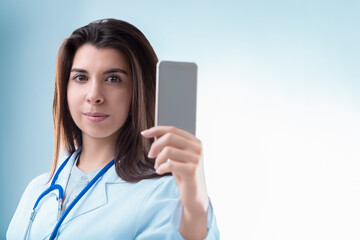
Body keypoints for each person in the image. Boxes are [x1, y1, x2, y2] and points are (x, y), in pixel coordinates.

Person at [7, 18, 219, 240]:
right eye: (81, 77)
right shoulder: (38, 190)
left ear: (138, 90)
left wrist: (196, 205)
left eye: (113, 79)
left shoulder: (162, 193)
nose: (94, 95)